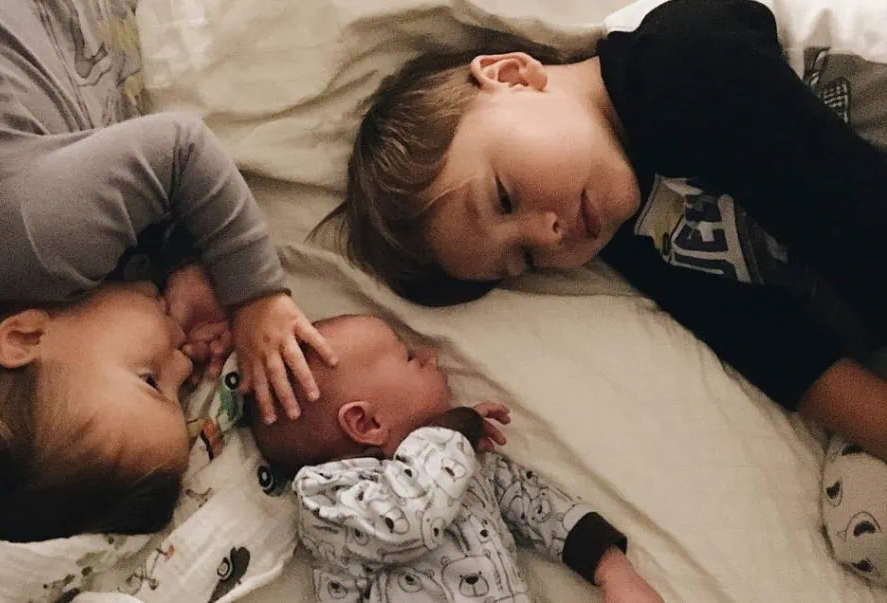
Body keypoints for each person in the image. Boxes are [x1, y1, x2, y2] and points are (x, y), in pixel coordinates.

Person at [323, 0, 887, 484]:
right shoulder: (624, 224)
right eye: (524, 259)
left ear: (512, 75)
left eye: (504, 196)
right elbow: (771, 346)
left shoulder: (681, 65)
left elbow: (858, 217)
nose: (548, 235)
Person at [0, 0, 335, 553]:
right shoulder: (47, 275)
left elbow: (181, 150)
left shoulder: (36, 244)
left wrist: (256, 293)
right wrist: (183, 264)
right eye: (180, 387)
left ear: (23, 338)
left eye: (148, 379)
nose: (184, 361)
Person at [251, 314, 664, 602]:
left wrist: (615, 573)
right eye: (410, 357)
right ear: (365, 422)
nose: (431, 355)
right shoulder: (325, 498)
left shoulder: (464, 462)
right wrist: (452, 430)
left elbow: (539, 506)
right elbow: (410, 520)